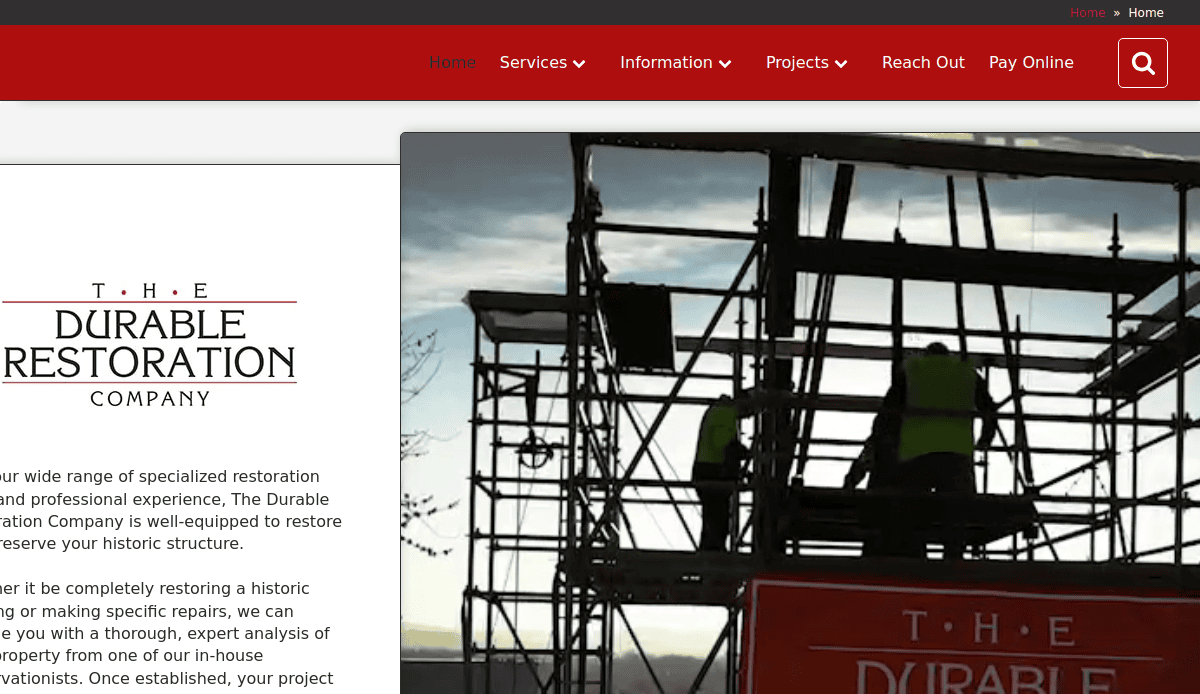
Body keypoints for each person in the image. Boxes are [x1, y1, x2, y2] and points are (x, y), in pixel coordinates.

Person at [873, 342, 998, 560]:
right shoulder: (967, 372)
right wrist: (986, 438)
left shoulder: (912, 370)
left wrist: (887, 446)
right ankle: (953, 560)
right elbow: (988, 408)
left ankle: (916, 559)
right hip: (957, 453)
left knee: (913, 509)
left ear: (926, 354)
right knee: (956, 513)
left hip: (916, 451)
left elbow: (888, 413)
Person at [692, 391, 753, 552]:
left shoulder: (721, 411)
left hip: (709, 470)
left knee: (714, 520)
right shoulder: (725, 413)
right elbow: (724, 446)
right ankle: (712, 554)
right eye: (749, 412)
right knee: (717, 520)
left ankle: (710, 553)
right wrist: (747, 454)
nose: (748, 417)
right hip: (711, 472)